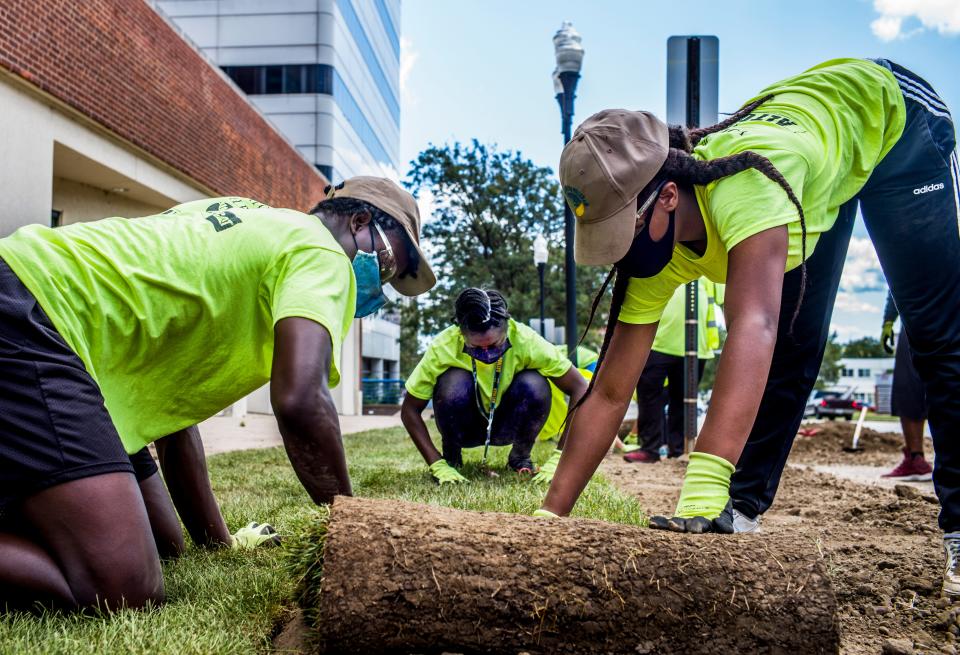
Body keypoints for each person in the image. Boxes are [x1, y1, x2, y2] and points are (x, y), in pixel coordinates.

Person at [535, 59, 960, 593]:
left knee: (938, 336)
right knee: (795, 343)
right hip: (814, 155)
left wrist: (700, 490)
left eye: (623, 233)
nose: (620, 254)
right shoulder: (653, 255)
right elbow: (609, 394)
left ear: (666, 196)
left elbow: (751, 325)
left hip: (890, 116)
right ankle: (742, 509)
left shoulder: (750, 187)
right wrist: (550, 519)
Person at [0, 176, 434, 611]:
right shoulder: (322, 253)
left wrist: (219, 546)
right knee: (124, 586)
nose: (384, 281)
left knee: (166, 542)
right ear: (359, 222)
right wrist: (351, 526)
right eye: (388, 264)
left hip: (59, 332)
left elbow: (175, 420)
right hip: (34, 317)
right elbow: (301, 400)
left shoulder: (252, 220)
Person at [401, 288, 587, 483]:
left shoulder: (526, 340)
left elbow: (579, 388)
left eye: (495, 345)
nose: (487, 354)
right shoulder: (443, 346)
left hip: (507, 425)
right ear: (461, 333)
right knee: (452, 381)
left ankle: (520, 457)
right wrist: (436, 464)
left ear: (508, 326)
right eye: (476, 348)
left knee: (535, 383)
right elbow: (410, 410)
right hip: (466, 428)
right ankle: (451, 459)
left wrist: (560, 458)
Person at [623, 279, 722, 463]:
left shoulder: (708, 271)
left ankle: (677, 450)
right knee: (649, 395)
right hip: (657, 342)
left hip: (696, 346)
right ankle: (650, 448)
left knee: (682, 400)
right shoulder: (664, 259)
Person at [881, 290, 932, 481]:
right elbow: (896, 284)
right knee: (908, 385)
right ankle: (915, 457)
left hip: (932, 310)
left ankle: (918, 457)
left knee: (913, 385)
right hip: (915, 313)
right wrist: (888, 320)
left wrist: (888, 320)